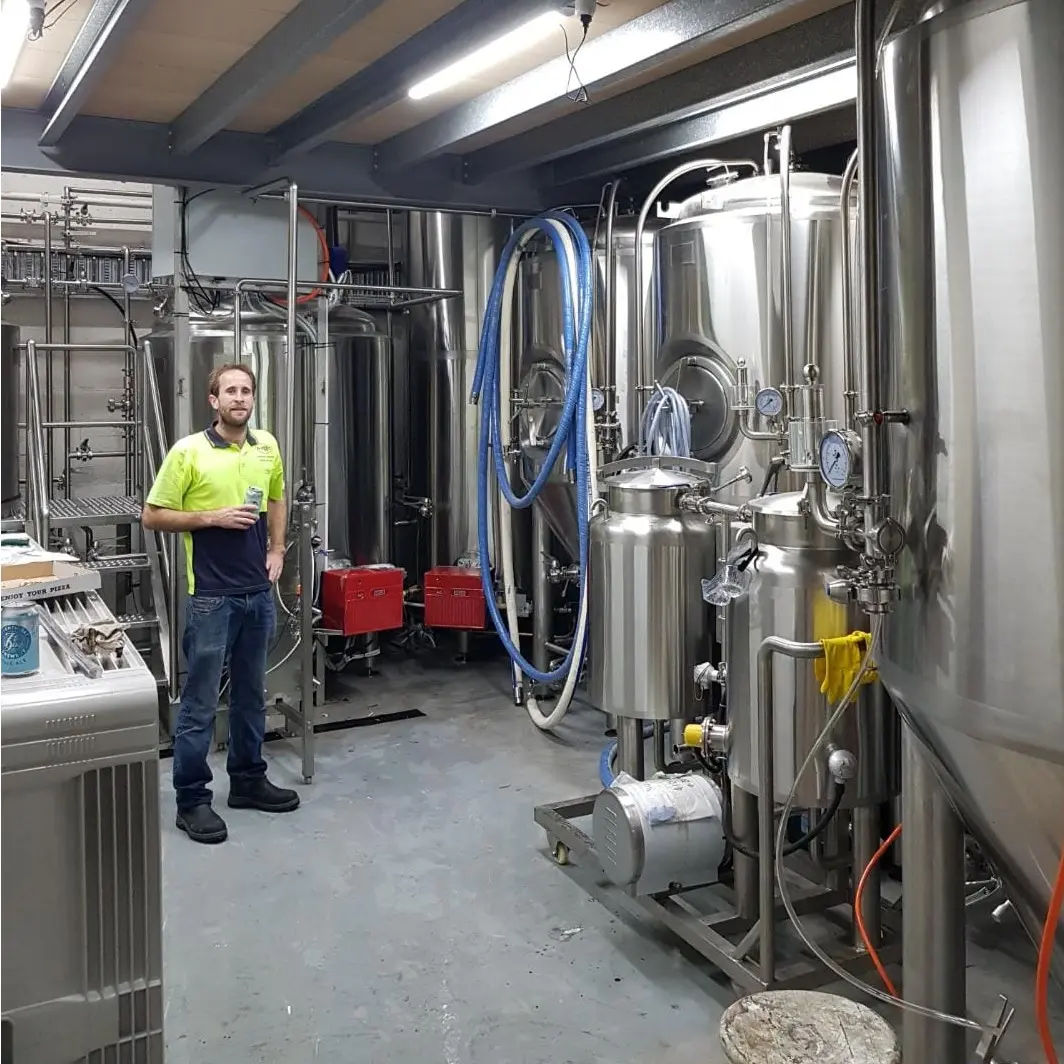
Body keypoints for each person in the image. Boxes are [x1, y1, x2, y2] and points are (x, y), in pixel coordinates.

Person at [143, 362, 299, 844]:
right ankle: (191, 800)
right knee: (200, 703)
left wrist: (278, 549)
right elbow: (152, 515)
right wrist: (211, 517)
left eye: (246, 390)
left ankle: (248, 780)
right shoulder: (188, 451)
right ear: (213, 400)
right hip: (211, 596)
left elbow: (277, 498)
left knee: (252, 694)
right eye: (230, 390)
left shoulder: (266, 445)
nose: (239, 398)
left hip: (258, 594)